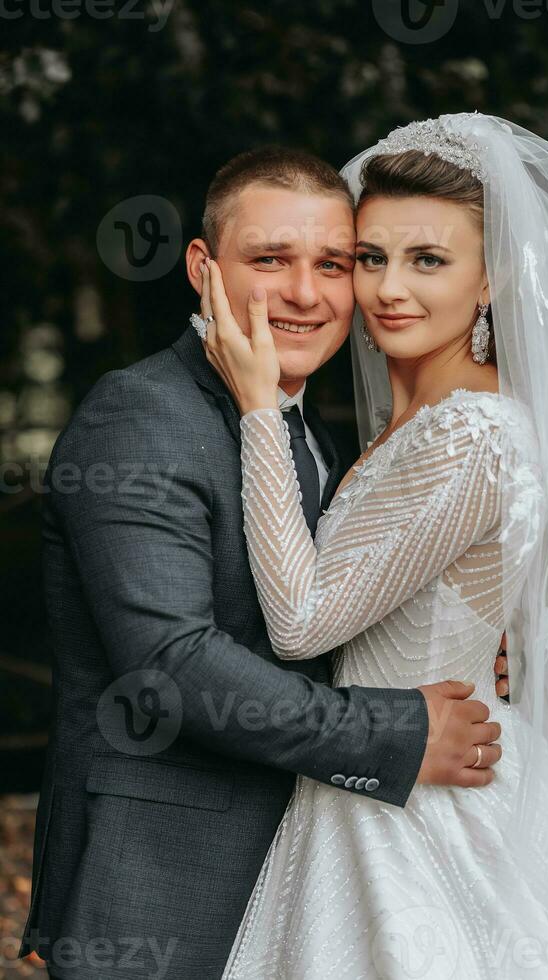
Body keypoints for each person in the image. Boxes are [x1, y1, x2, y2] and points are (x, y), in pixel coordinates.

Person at [18, 145, 510, 980]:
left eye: (332, 263)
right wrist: (398, 729)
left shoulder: (305, 432)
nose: (306, 294)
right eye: (270, 260)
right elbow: (172, 662)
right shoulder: (141, 416)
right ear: (202, 267)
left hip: (311, 866)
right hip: (163, 882)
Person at [200, 114, 548, 979]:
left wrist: (259, 408)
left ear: (490, 281)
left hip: (415, 800)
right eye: (370, 258)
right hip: (390, 763)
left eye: (429, 260)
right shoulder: (414, 425)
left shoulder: (470, 433)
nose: (387, 290)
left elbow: (299, 624)